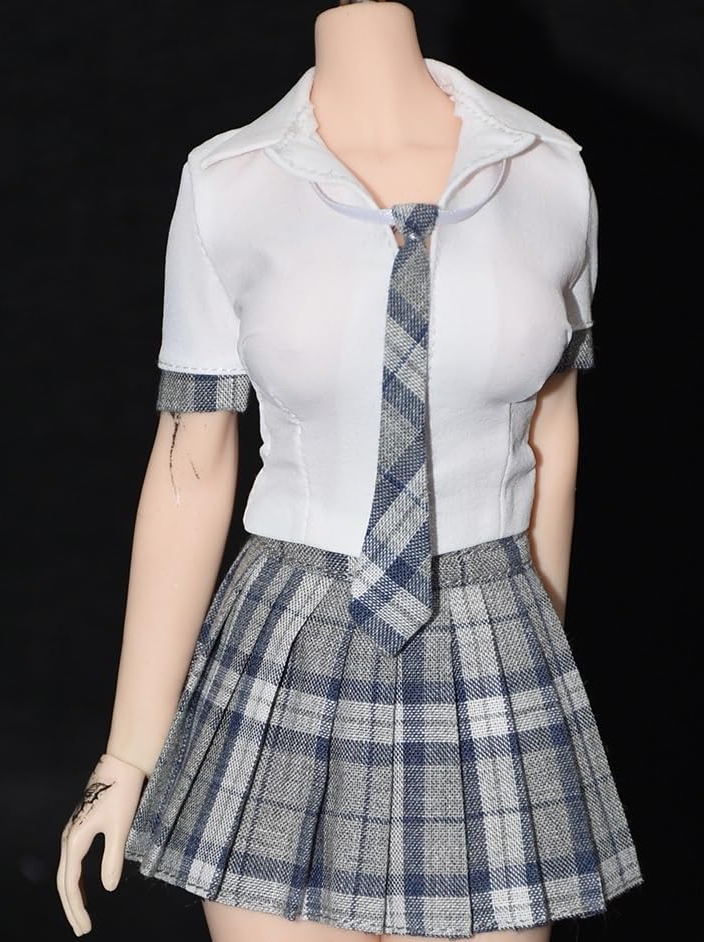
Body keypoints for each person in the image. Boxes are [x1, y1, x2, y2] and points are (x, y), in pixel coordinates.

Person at [57, 3, 644, 940]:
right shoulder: (229, 183)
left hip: (494, 632)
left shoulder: (549, 173)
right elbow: (190, 467)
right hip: (290, 637)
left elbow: (551, 435)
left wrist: (540, 659)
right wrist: (127, 754)